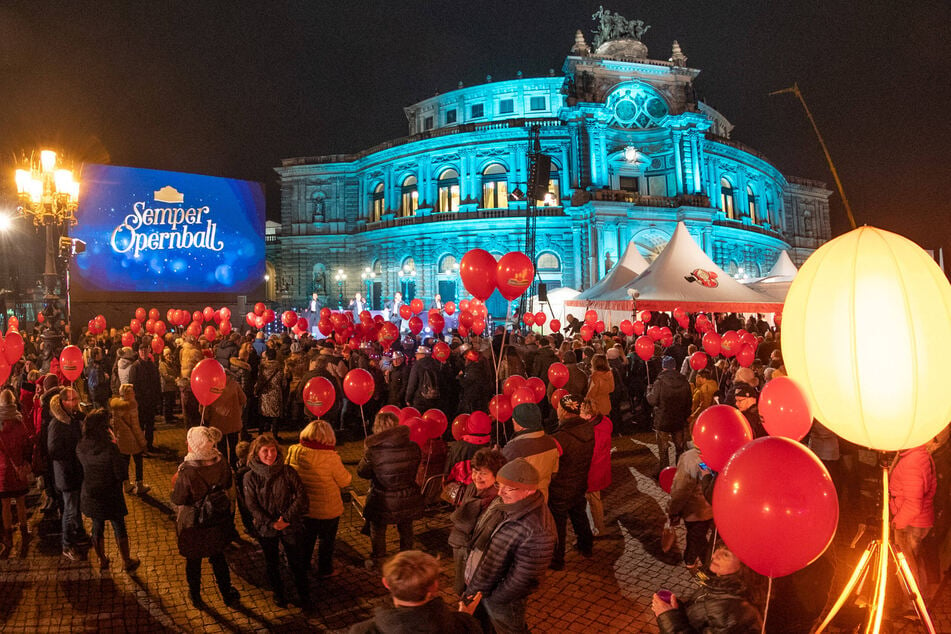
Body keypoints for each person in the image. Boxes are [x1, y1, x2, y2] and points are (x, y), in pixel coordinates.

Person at [463, 458, 557, 633]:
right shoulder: (507, 504)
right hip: (482, 588)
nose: (501, 493)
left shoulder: (537, 529)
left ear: (530, 490)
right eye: (499, 485)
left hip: (499, 599)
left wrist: (496, 598)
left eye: (509, 488)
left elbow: (525, 578)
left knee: (509, 629)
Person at [170, 426, 241, 608]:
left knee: (193, 561)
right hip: (216, 519)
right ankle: (227, 594)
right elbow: (227, 483)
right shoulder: (220, 459)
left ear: (194, 445)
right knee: (218, 557)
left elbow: (178, 498)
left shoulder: (187, 470)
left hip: (194, 523)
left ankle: (195, 596)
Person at [243, 434, 311, 609]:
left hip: (290, 525)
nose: (270, 454)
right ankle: (279, 594)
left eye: (273, 450)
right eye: (265, 450)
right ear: (257, 453)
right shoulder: (250, 477)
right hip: (267, 528)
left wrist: (287, 518)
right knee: (272, 563)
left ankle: (304, 594)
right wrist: (271, 523)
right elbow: (252, 505)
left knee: (297, 561)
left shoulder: (287, 471)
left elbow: (301, 496)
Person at [350, 550, 482, 634]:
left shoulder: (361, 631)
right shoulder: (463, 626)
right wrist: (465, 617)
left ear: (386, 583)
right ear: (434, 586)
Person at [285, 419, 352, 578]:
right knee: (326, 541)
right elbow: (345, 481)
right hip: (327, 509)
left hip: (304, 507)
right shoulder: (330, 456)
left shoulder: (294, 450)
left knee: (306, 539)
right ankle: (324, 569)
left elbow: (287, 473)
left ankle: (304, 565)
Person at [76, 409, 140, 572]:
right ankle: (126, 561)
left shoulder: (82, 445)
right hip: (110, 492)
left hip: (91, 490)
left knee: (97, 525)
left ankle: (101, 559)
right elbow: (121, 472)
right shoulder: (110, 447)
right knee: (119, 525)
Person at [357, 411, 423, 565]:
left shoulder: (373, 451)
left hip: (382, 497)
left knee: (378, 528)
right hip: (408, 495)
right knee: (406, 526)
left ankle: (379, 557)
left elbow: (362, 472)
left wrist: (368, 459)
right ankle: (407, 557)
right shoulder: (413, 447)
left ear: (376, 427)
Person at [652, 546, 763, 633]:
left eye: (725, 555)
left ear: (745, 566)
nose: (714, 555)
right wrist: (675, 609)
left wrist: (667, 616)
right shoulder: (718, 584)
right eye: (718, 549)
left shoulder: (732, 611)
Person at [449, 448, 506, 594]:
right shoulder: (471, 488)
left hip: (481, 551)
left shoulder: (499, 500)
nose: (477, 477)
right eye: (475, 471)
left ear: (496, 475)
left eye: (483, 473)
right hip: (462, 545)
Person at [548, 394, 595, 570]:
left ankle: (557, 559)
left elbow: (553, 463)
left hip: (561, 487)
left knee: (558, 524)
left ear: (565, 411)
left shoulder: (561, 438)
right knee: (579, 515)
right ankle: (586, 545)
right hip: (579, 481)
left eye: (559, 408)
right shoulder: (588, 429)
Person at [47, 387, 90, 560]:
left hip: (75, 470)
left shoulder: (72, 419)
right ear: (64, 402)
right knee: (70, 510)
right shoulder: (57, 424)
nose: (76, 402)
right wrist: (74, 451)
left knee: (76, 506)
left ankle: (79, 533)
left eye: (77, 398)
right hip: (66, 473)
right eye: (73, 399)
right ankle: (67, 544)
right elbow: (53, 450)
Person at [890, 443, 937, 592]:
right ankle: (921, 600)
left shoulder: (913, 462)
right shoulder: (920, 455)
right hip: (919, 520)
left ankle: (912, 607)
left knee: (907, 567)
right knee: (914, 562)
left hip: (909, 523)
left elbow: (913, 505)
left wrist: (897, 523)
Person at [667, 446, 714, 570]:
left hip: (697, 510)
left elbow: (680, 490)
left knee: (695, 536)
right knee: (701, 537)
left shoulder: (690, 458)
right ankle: (702, 561)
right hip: (716, 508)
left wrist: (673, 510)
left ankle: (692, 561)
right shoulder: (729, 453)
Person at [501, 402, 560, 500]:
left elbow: (503, 479)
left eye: (514, 420)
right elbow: (554, 473)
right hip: (542, 498)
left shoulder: (514, 448)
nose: (513, 421)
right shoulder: (551, 442)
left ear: (521, 424)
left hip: (521, 503)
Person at [0, 389, 33, 558]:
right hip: (18, 467)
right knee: (20, 501)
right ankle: (24, 530)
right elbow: (27, 444)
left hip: (3, 471)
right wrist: (25, 461)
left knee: (5, 505)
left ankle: (8, 537)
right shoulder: (19, 422)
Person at [647, 356, 693, 473]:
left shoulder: (659, 382)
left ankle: (664, 472)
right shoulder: (684, 381)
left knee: (663, 449)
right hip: (679, 420)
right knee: (679, 448)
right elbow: (689, 401)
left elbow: (652, 400)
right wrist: (685, 416)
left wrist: (648, 391)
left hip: (663, 420)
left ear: (663, 367)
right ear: (675, 367)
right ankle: (679, 471)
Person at [109, 384, 150, 495]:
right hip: (133, 439)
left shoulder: (116, 405)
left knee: (125, 462)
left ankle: (126, 484)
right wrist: (143, 442)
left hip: (121, 439)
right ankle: (139, 485)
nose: (134, 394)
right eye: (131, 392)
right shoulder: (131, 406)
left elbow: (114, 424)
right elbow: (135, 427)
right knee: (138, 462)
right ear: (126, 394)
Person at [582, 398, 613, 537]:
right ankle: (595, 526)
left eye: (581, 413)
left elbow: (591, 454)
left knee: (594, 500)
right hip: (600, 468)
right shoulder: (604, 423)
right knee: (593, 499)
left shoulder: (594, 432)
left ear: (588, 415)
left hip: (592, 470)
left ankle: (598, 528)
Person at [202, 371, 246, 468]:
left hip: (218, 424)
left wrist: (206, 417)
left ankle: (224, 466)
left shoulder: (212, 388)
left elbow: (206, 406)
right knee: (234, 445)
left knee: (221, 447)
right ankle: (234, 465)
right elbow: (243, 399)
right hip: (233, 422)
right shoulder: (235, 385)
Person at [129, 343, 161, 451]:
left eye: (145, 350)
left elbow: (157, 382)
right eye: (141, 350)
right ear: (138, 352)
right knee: (140, 425)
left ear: (149, 351)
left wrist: (157, 397)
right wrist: (137, 399)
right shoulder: (135, 366)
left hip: (151, 401)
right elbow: (132, 385)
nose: (143, 352)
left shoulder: (152, 366)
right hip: (141, 402)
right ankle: (141, 445)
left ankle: (149, 445)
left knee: (150, 424)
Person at [255, 348, 284, 438]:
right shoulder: (279, 367)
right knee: (275, 415)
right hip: (275, 392)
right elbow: (283, 382)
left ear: (267, 356)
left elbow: (260, 380)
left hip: (264, 393)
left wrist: (256, 390)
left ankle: (260, 433)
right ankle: (275, 434)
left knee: (262, 414)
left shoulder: (262, 367)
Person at [585, 353, 614, 421]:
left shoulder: (595, 376)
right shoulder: (609, 374)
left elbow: (591, 393)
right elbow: (612, 389)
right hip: (606, 404)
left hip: (596, 407)